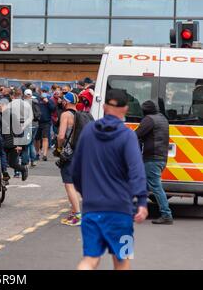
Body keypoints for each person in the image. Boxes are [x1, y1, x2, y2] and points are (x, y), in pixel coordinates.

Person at [72, 89, 148, 270]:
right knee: (123, 259)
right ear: (126, 109)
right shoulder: (128, 135)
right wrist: (142, 201)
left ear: (105, 106)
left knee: (90, 259)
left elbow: (76, 170)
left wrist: (86, 193)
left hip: (92, 210)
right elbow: (136, 171)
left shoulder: (89, 131)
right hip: (121, 212)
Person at [136, 100, 173, 225]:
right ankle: (137, 211)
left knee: (156, 187)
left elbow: (137, 134)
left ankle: (166, 214)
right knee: (143, 185)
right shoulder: (162, 118)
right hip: (161, 158)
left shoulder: (149, 119)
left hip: (152, 159)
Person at [55, 92, 82, 226]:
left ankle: (77, 215)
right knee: (74, 184)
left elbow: (61, 136)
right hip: (80, 153)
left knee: (69, 184)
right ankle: (73, 213)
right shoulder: (81, 115)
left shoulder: (65, 115)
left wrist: (59, 148)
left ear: (67, 102)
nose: (61, 102)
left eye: (63, 100)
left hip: (69, 153)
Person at [1, 93, 29, 181]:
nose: (0, 106)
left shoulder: (11, 116)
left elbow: (19, 131)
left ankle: (23, 169)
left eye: (2, 105)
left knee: (12, 164)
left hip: (13, 143)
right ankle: (4, 176)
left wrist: (20, 144)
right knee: (1, 162)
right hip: (1, 142)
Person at [22, 89, 40, 167]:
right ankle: (33, 159)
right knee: (31, 142)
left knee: (26, 144)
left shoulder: (24, 103)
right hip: (35, 124)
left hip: (28, 125)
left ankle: (25, 161)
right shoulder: (35, 102)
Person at [35, 91, 55, 161]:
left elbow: (53, 109)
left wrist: (47, 102)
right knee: (37, 138)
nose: (43, 93)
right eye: (42, 91)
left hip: (46, 122)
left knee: (45, 138)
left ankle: (45, 154)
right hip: (37, 121)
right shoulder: (37, 100)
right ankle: (37, 153)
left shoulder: (49, 100)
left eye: (45, 92)